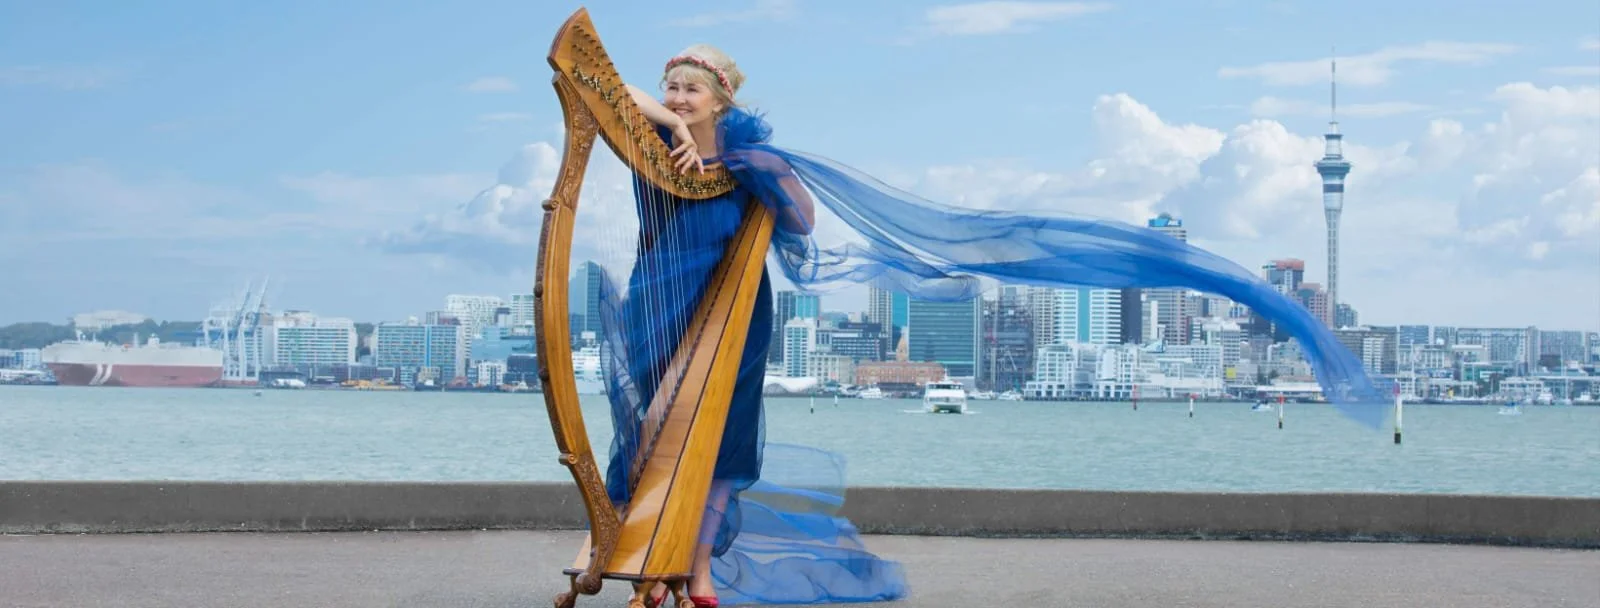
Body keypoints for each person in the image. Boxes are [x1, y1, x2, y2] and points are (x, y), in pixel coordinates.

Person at [597, 43, 1394, 607]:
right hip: (670, 310)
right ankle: (647, 558)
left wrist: (737, 169)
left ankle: (694, 574)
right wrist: (643, 107)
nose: (675, 100)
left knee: (725, 449)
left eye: (690, 90)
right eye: (669, 89)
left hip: (733, 316)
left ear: (723, 99)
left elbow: (800, 223)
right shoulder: (661, 148)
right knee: (653, 430)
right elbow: (612, 92)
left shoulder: (753, 158)